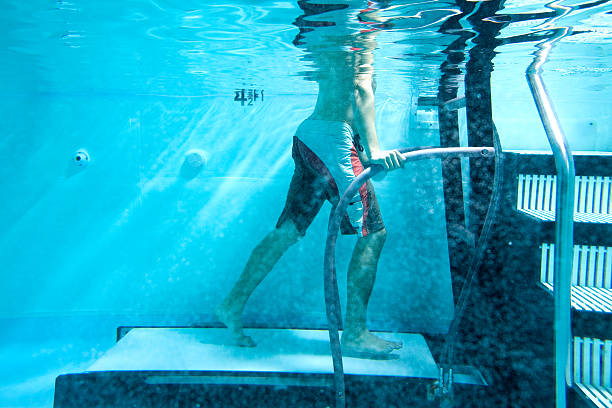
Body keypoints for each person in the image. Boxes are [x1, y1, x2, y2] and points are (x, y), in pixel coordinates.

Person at [216, 1, 405, 358]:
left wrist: (365, 153)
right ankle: (355, 333)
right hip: (332, 140)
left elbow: (344, 92)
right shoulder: (366, 22)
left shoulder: (335, 28)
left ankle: (231, 304)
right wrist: (376, 150)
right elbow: (360, 88)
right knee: (374, 234)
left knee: (287, 231)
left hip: (311, 136)